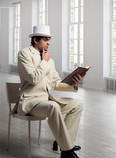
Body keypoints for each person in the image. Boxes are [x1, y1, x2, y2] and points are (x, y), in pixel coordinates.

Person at [16, 25, 83, 158]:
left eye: (49, 39)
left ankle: (62, 142)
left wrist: (73, 84)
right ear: (35, 40)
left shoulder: (48, 59)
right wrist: (45, 62)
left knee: (77, 104)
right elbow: (33, 79)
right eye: (46, 39)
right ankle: (67, 150)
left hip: (46, 100)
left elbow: (56, 83)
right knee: (53, 107)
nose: (49, 43)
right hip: (31, 102)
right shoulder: (24, 54)